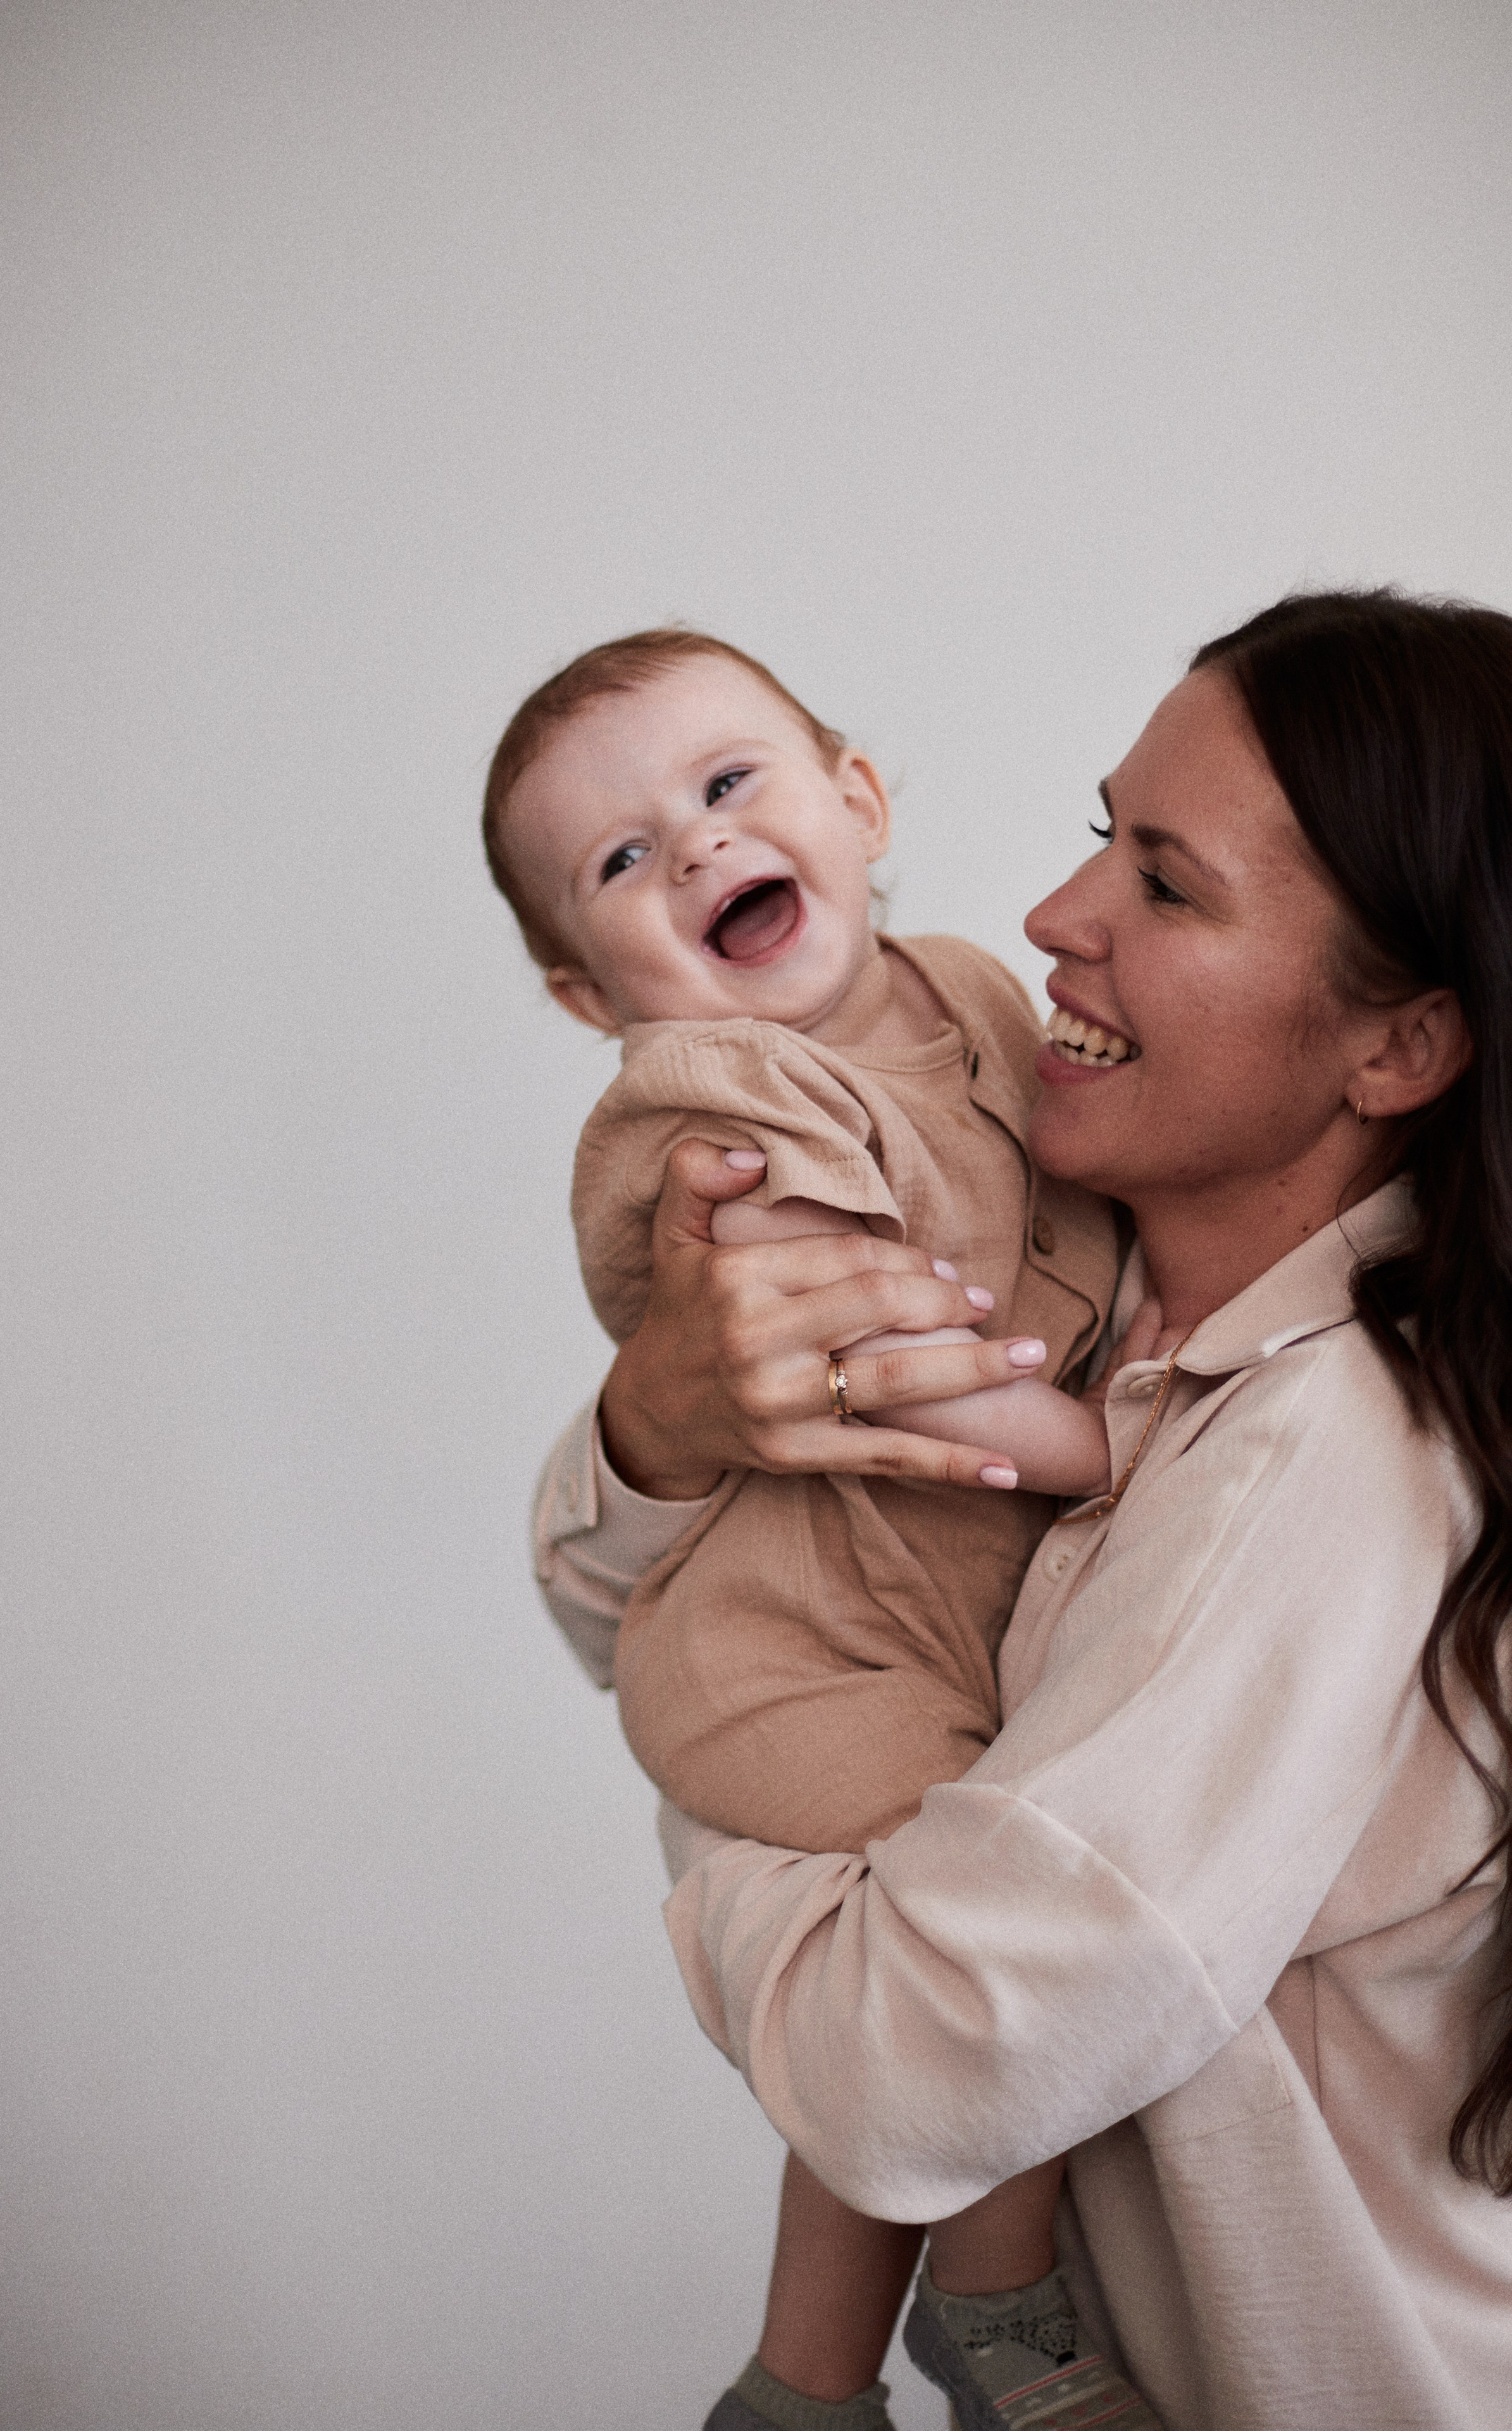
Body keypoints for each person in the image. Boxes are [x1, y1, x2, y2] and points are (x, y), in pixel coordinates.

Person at [535, 591, 1512, 2431]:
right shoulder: (1101, 1269)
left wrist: (729, 1842)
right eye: (1096, 837)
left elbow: (915, 2071)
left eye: (1167, 884)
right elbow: (631, 1600)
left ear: (1396, 1052)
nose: (1058, 919)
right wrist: (662, 1412)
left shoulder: (1321, 1469)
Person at [489, 629, 1163, 2428]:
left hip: (930, 1619)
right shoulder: (719, 1104)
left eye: (729, 789)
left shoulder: (982, 1000)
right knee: (971, 1956)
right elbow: (885, 1366)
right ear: (588, 992)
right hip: (801, 1644)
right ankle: (994, 2306)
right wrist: (1117, 1452)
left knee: (960, 1964)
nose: (697, 848)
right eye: (623, 862)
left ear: (856, 804)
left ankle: (804, 2383)